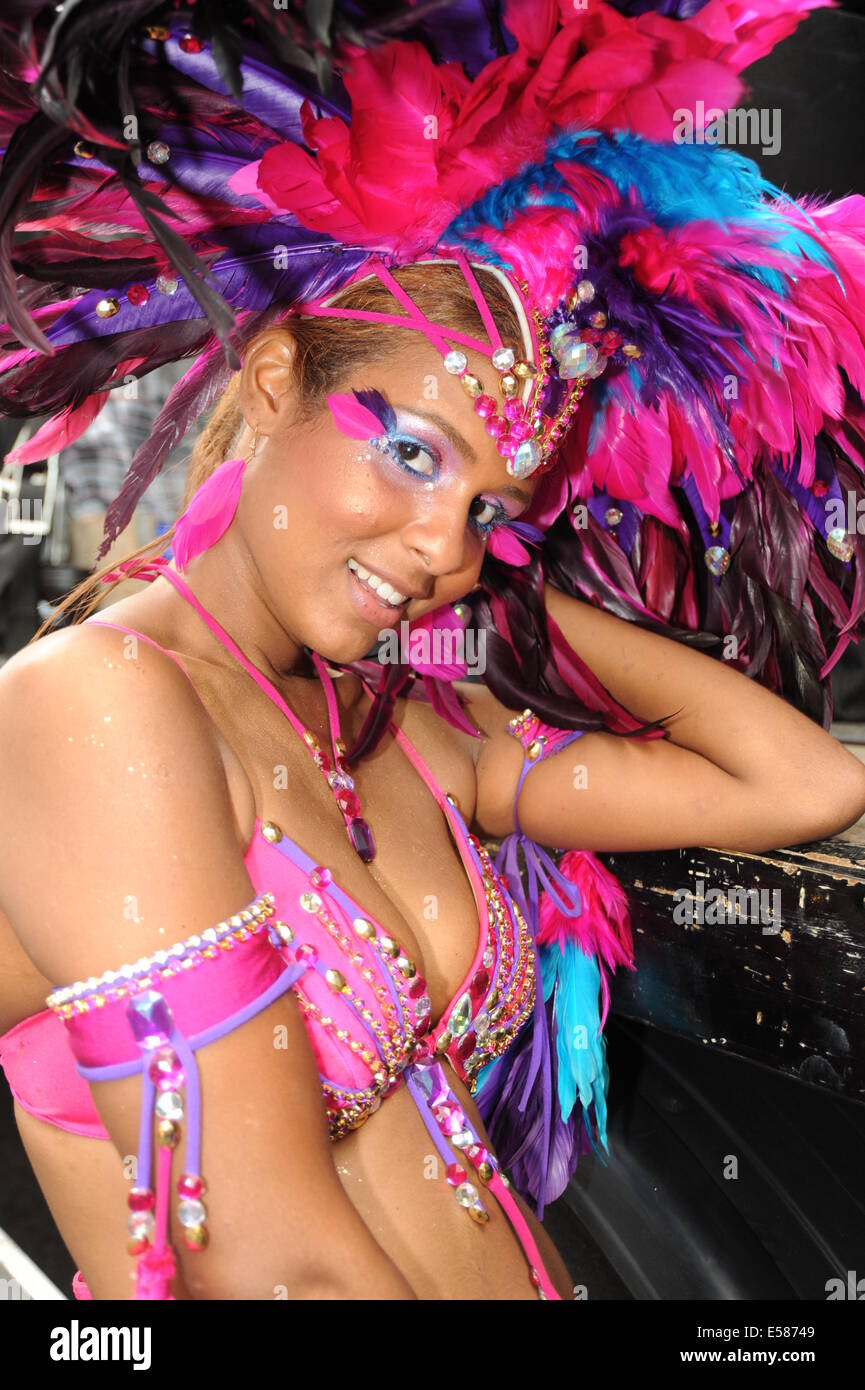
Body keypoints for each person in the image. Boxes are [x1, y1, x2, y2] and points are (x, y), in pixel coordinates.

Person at [0, 0, 864, 1302]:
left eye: (488, 509)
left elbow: (802, 783)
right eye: (411, 453)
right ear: (278, 373)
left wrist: (512, 595)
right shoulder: (94, 707)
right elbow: (276, 1265)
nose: (442, 547)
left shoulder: (409, 732)